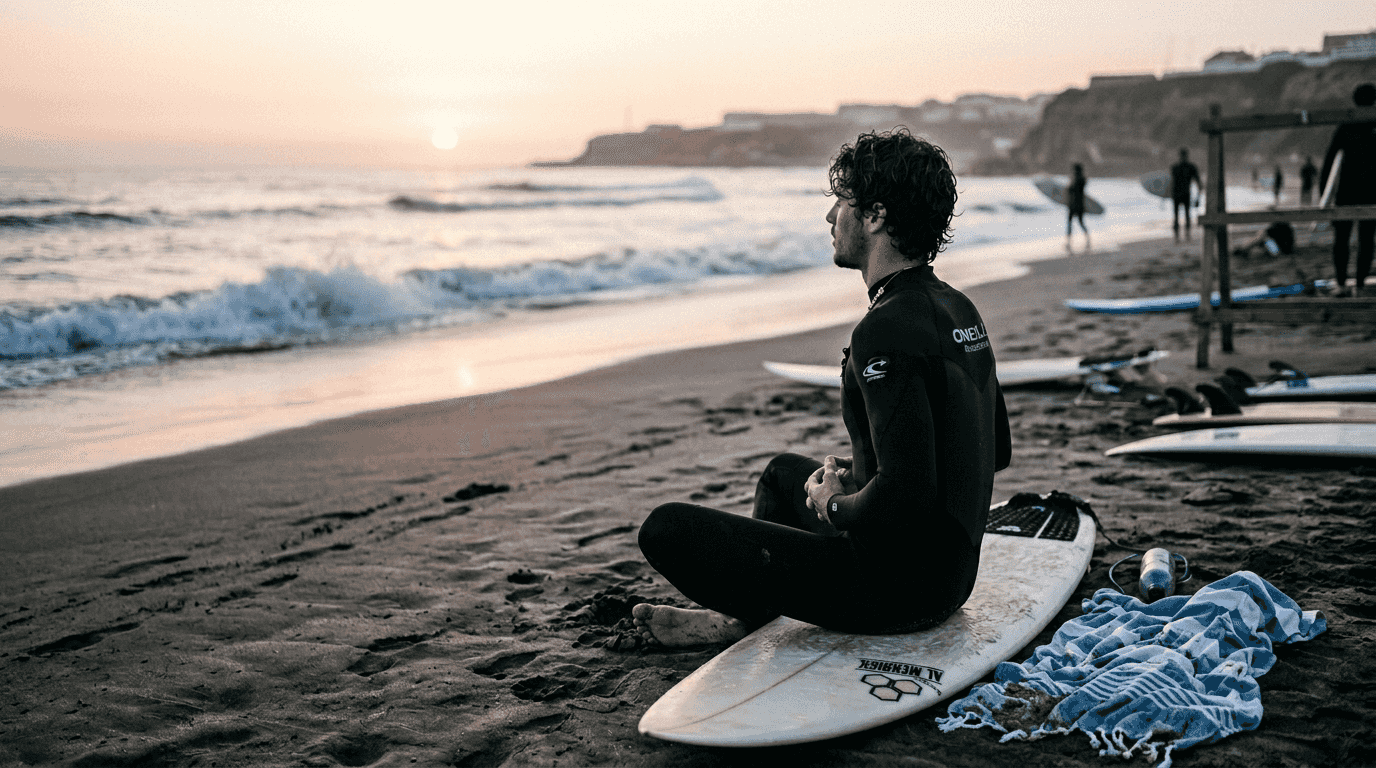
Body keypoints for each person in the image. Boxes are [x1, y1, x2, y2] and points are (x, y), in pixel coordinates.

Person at [632, 129, 1012, 646]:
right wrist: (861, 477)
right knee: (782, 476)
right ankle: (751, 615)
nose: (831, 218)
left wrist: (837, 505)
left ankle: (745, 619)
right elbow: (995, 450)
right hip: (949, 575)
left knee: (665, 529)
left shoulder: (883, 330)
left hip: (897, 589)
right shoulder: (959, 307)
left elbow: (907, 495)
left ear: (875, 216)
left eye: (841, 202)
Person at [1319, 82, 1376, 297]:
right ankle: (1360, 284)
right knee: (1366, 239)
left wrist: (1324, 193)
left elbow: (1330, 159)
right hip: (1371, 191)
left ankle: (1342, 283)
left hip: (1347, 191)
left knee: (1341, 239)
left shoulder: (1346, 125)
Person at [1170, 148, 1202, 241]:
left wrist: (1198, 198)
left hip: (1182, 194)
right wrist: (1198, 197)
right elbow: (1171, 183)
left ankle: (1183, 236)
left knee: (1183, 215)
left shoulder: (1180, 167)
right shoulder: (1179, 167)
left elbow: (1198, 183)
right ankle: (1179, 236)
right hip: (1179, 194)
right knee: (1179, 215)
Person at [1066, 163, 1089, 246]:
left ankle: (1069, 241)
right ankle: (1087, 238)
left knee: (1072, 222)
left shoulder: (1078, 180)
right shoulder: (1082, 179)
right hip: (1078, 205)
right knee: (1079, 222)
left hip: (1075, 205)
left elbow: (1070, 190)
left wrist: (1070, 182)